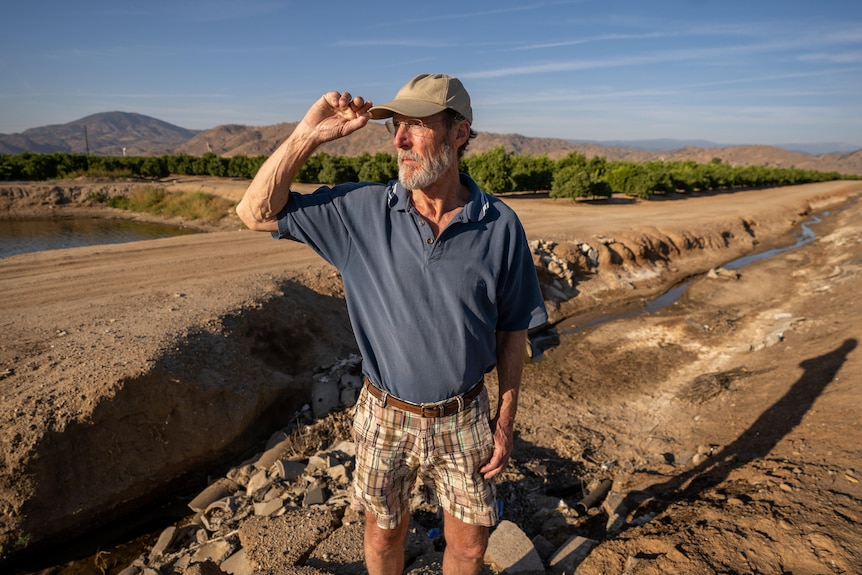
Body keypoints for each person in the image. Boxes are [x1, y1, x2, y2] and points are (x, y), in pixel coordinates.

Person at [236, 73, 547, 575]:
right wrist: (309, 135)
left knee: (468, 546)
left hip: (464, 417)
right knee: (382, 537)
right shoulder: (359, 212)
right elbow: (253, 212)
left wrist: (505, 421)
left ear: (459, 133)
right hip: (384, 417)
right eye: (395, 127)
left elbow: (514, 329)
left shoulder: (500, 225)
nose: (399, 141)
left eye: (417, 126)